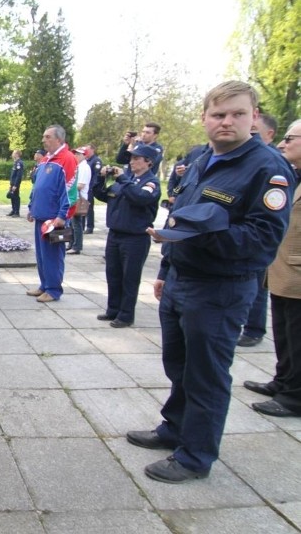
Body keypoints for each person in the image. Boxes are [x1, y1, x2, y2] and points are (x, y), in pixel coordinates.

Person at [128, 81, 294, 484]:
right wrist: (166, 271)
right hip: (182, 280)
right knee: (179, 365)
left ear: (254, 117)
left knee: (207, 374)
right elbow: (180, 217)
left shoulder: (268, 168)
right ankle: (175, 428)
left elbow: (263, 239)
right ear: (204, 118)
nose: (227, 122)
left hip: (220, 289)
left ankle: (195, 455)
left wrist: (202, 238)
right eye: (218, 115)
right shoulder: (202, 159)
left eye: (238, 114)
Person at [243, 120, 301, 416]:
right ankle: (283, 381)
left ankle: (295, 397)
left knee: (297, 334)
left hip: (297, 272)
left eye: (290, 138)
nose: (282, 143)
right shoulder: (293, 175)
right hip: (282, 271)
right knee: (284, 331)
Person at [92, 144, 161, 327]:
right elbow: (103, 195)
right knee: (113, 274)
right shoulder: (125, 181)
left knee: (129, 278)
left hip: (135, 237)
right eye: (131, 158)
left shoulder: (150, 182)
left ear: (148, 162)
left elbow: (140, 198)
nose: (131, 162)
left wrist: (123, 179)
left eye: (136, 158)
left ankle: (126, 315)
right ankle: (113, 309)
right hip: (115, 234)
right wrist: (101, 179)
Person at [238, 112, 280, 347]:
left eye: (254, 132)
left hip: (256, 237)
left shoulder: (271, 162)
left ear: (269, 134)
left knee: (258, 284)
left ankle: (254, 329)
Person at [26, 125, 77, 302]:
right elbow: (37, 186)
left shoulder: (67, 159)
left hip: (54, 219)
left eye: (47, 137)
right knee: (41, 255)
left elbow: (70, 191)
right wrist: (32, 207)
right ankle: (44, 285)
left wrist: (62, 216)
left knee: (53, 255)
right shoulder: (47, 158)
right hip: (41, 215)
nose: (43, 140)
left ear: (59, 139)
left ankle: (54, 289)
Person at [67, 147, 92, 255]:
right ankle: (71, 243)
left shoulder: (84, 167)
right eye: (75, 153)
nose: (76, 155)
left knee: (77, 224)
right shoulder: (78, 166)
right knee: (72, 223)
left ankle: (77, 246)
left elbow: (81, 185)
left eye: (78, 154)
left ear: (84, 155)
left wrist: (68, 187)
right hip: (74, 197)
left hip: (79, 198)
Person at [84, 144, 103, 233]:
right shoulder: (86, 160)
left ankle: (90, 227)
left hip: (90, 187)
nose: (86, 152)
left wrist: (92, 187)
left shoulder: (96, 161)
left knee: (89, 207)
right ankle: (83, 225)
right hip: (85, 187)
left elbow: (96, 175)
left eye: (87, 150)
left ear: (92, 150)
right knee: (83, 207)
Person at [7, 149, 24, 217]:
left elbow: (18, 175)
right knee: (12, 196)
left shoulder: (19, 163)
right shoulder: (15, 162)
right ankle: (13, 210)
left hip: (15, 184)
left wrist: (15, 185)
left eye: (13, 153)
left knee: (16, 197)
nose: (12, 154)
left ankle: (17, 212)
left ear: (17, 154)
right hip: (12, 183)